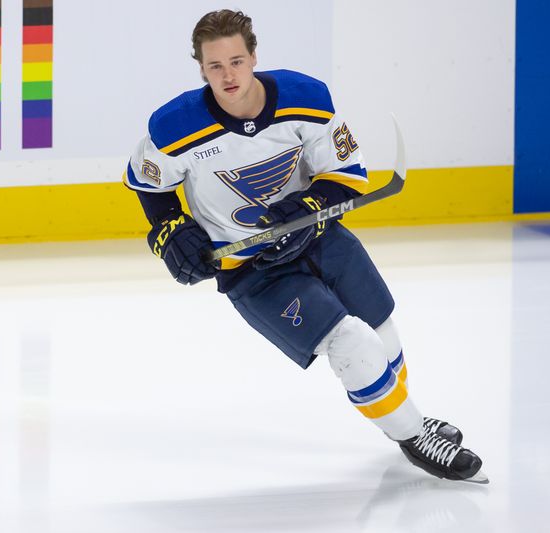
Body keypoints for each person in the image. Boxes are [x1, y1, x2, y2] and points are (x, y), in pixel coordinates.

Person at [123, 9, 486, 483]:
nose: (228, 75)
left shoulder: (306, 98)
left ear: (254, 56)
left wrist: (308, 206)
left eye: (236, 61)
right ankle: (415, 437)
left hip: (320, 236)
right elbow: (149, 186)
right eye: (215, 66)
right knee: (351, 343)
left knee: (380, 329)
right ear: (201, 69)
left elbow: (346, 175)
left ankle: (408, 415)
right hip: (251, 268)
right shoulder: (175, 126)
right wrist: (170, 228)